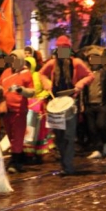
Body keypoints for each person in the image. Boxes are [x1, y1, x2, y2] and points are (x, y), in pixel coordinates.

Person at [39, 35, 94, 175]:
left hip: (70, 102)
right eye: (60, 49)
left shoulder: (76, 63)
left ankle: (68, 166)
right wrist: (47, 84)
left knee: (69, 136)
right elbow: (41, 74)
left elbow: (90, 75)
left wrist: (79, 84)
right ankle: (64, 164)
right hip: (54, 103)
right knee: (58, 137)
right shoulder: (52, 63)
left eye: (65, 49)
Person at [0, 50, 35, 173]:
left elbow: (32, 92)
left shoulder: (26, 74)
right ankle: (18, 159)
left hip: (19, 110)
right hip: (6, 110)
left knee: (17, 136)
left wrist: (21, 90)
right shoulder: (6, 72)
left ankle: (15, 161)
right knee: (11, 136)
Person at [83, 51, 106, 159]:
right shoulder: (87, 72)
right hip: (89, 104)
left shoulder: (105, 71)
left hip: (101, 103)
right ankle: (97, 149)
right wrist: (83, 103)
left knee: (101, 125)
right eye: (90, 58)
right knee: (91, 128)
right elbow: (83, 88)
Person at [22, 56, 53, 164]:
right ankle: (25, 152)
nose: (26, 66)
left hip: (36, 106)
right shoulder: (22, 75)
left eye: (28, 64)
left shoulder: (38, 75)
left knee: (35, 130)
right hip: (24, 106)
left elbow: (47, 88)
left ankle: (34, 152)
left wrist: (41, 98)